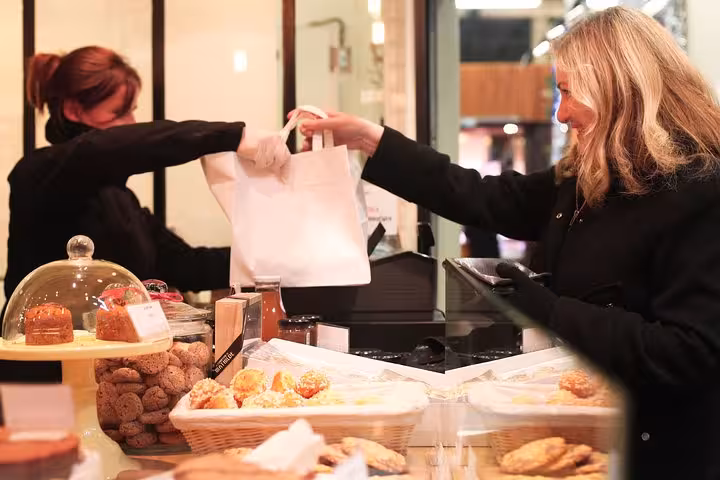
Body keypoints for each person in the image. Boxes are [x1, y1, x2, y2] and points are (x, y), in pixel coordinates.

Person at [297, 7, 720, 479]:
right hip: (590, 431)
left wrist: (551, 309)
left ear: (618, 90)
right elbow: (486, 196)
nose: (561, 114)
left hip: (659, 451)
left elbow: (689, 353)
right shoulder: (587, 174)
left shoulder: (699, 191)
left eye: (567, 93)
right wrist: (372, 140)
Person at [1, 45, 290, 382]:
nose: (131, 124)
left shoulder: (119, 199)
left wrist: (272, 263)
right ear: (74, 110)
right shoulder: (38, 173)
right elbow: (108, 147)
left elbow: (182, 263)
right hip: (43, 382)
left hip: (113, 379)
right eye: (120, 113)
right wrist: (231, 136)